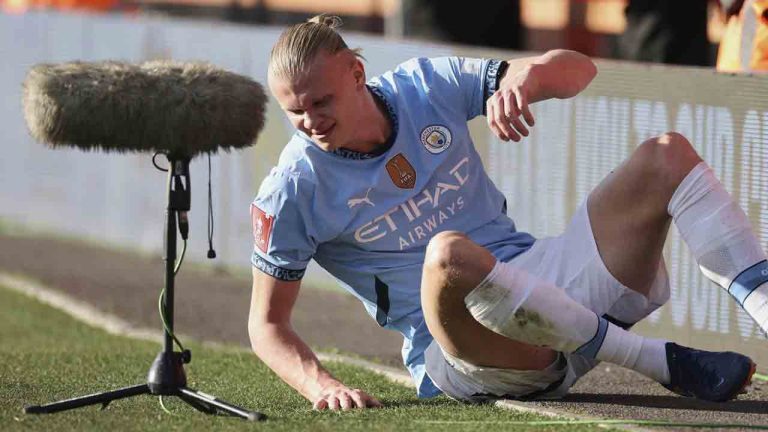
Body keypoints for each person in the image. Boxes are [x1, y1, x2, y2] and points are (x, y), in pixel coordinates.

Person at [248, 14, 764, 410]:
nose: (310, 122)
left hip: (547, 285)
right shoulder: (292, 188)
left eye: (321, 102)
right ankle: (660, 362)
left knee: (667, 152)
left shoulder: (425, 84)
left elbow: (581, 71)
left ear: (357, 73)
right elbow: (266, 325)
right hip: (469, 352)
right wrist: (323, 385)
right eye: (295, 111)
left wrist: (527, 78)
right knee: (447, 255)